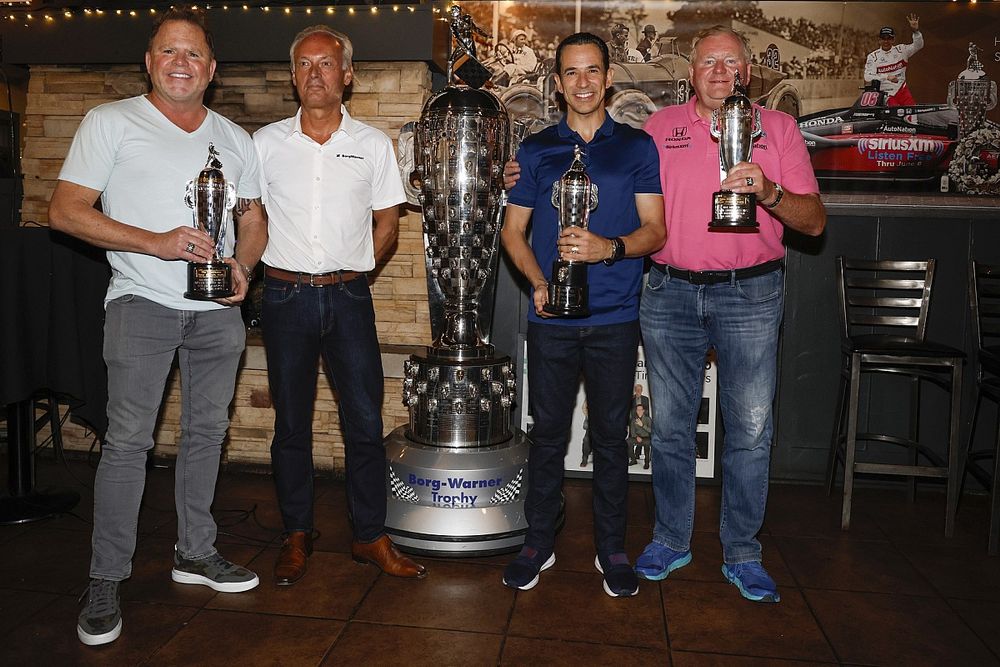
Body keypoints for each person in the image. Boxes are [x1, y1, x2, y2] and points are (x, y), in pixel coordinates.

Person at [48, 8, 268, 646]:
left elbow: (251, 218)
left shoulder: (234, 139)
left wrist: (243, 267)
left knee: (207, 435)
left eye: (193, 54)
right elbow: (65, 211)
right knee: (126, 444)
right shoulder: (110, 122)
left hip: (217, 314)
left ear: (211, 69)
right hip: (140, 304)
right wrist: (158, 243)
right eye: (169, 52)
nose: (181, 63)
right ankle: (106, 578)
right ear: (149, 62)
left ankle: (195, 551)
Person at [636, 25, 825, 603]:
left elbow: (814, 222)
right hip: (668, 291)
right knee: (669, 428)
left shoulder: (781, 129)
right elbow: (613, 185)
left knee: (748, 430)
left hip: (750, 293)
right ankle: (671, 538)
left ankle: (742, 550)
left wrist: (768, 192)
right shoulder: (660, 128)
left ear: (750, 72)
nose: (721, 71)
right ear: (690, 73)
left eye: (733, 62)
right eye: (709, 62)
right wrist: (528, 177)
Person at [253, 25, 425, 587]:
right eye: (304, 64)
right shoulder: (265, 144)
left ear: (346, 74)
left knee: (363, 421)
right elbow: (249, 218)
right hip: (283, 296)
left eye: (326, 64)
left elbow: (387, 223)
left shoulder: (373, 144)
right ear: (293, 75)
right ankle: (297, 534)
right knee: (291, 426)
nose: (315, 74)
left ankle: (369, 535)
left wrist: (358, 270)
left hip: (350, 298)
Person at [500, 32, 665, 597]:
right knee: (546, 434)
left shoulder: (638, 148)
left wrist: (608, 248)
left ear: (608, 76)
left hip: (616, 314)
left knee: (613, 438)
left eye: (592, 70)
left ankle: (612, 548)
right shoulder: (537, 149)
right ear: (558, 82)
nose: (583, 82)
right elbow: (512, 232)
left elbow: (656, 231)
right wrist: (540, 282)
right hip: (552, 318)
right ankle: (537, 540)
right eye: (571, 72)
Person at [864, 14, 922, 106]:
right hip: (886, 93)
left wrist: (916, 31)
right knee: (895, 117)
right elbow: (867, 77)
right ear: (879, 40)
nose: (886, 41)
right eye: (883, 38)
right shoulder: (873, 56)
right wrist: (886, 77)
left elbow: (918, 45)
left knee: (912, 117)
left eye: (889, 38)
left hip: (903, 91)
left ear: (893, 39)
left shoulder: (901, 50)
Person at [627, 403, 652, 469]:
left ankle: (646, 463)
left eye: (641, 409)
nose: (639, 411)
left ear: (643, 410)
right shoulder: (633, 420)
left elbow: (651, 430)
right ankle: (633, 460)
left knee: (647, 443)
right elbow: (632, 431)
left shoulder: (648, 419)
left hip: (646, 438)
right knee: (628, 441)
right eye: (638, 410)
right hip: (636, 437)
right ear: (636, 411)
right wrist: (636, 437)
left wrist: (642, 425)